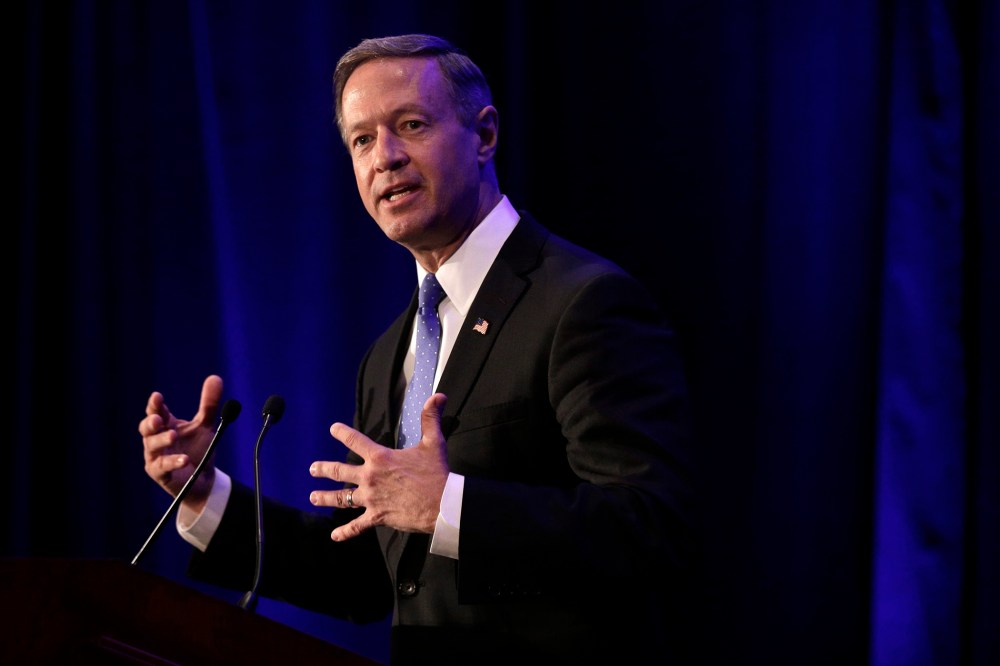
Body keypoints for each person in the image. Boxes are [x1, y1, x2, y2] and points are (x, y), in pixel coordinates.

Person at [139, 33, 697, 664]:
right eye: (362, 140)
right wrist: (203, 493)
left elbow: (652, 526)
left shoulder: (582, 303)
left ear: (484, 135)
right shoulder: (389, 355)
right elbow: (367, 578)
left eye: (410, 124)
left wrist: (450, 506)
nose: (386, 157)